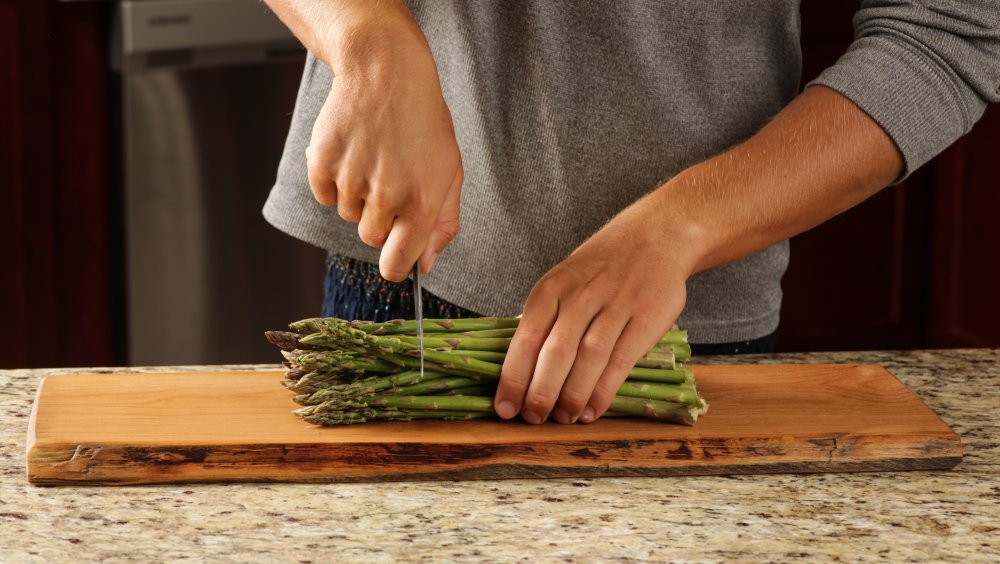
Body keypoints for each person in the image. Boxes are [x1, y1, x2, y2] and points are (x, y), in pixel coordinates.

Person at [261, 1, 1000, 425]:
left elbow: (948, 29)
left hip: (664, 325)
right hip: (393, 293)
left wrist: (678, 229)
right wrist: (369, 41)